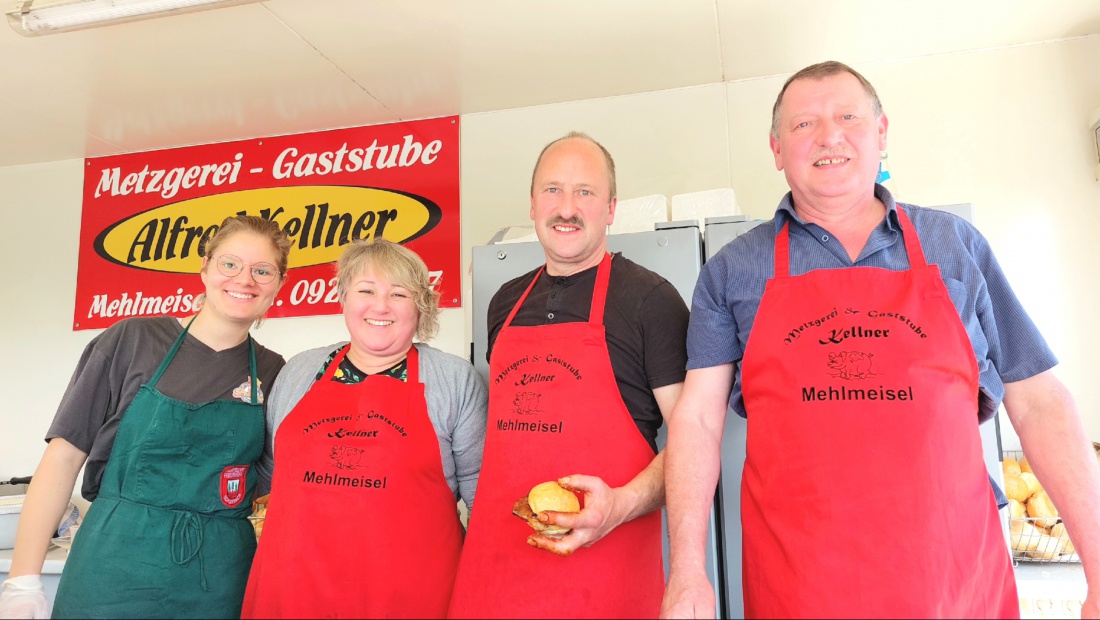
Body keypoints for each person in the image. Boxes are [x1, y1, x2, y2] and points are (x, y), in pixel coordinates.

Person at [661, 60, 1100, 618]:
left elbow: (1038, 402)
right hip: (800, 584)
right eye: (804, 125)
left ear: (882, 133)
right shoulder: (732, 270)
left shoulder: (954, 244)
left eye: (848, 116)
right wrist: (689, 573)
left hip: (954, 580)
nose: (829, 136)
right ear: (776, 149)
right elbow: (697, 419)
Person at [447, 132, 689, 618]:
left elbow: (693, 445)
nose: (567, 208)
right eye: (553, 190)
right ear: (533, 204)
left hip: (605, 575)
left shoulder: (650, 300)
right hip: (497, 571)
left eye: (585, 192)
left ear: (611, 208)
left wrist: (618, 505)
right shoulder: (504, 303)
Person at [0, 215, 291, 619]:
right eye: (230, 264)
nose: (245, 279)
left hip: (220, 580)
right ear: (205, 268)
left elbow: (273, 480)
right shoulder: (131, 341)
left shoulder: (277, 373)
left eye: (263, 271)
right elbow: (62, 458)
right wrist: (22, 579)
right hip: (114, 567)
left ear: (278, 285)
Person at [240, 238, 487, 618]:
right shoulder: (300, 372)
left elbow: (482, 501)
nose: (380, 305)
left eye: (399, 293)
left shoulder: (454, 379)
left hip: (411, 599)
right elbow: (269, 474)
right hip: (294, 592)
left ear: (420, 307)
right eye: (366, 290)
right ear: (344, 299)